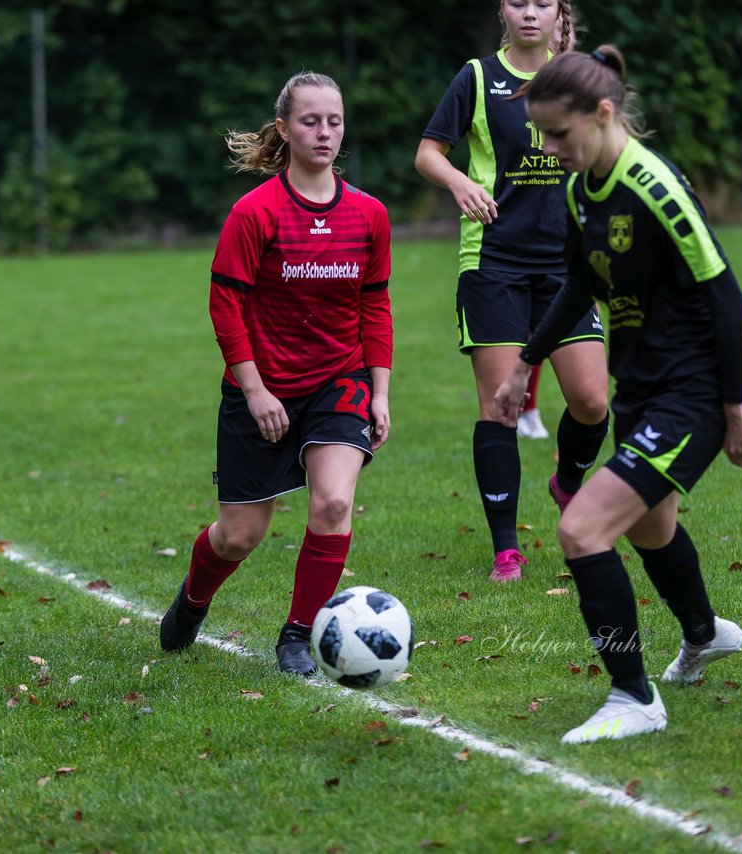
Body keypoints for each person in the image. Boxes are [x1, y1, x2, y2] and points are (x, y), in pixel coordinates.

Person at [493, 44, 742, 743]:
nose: (550, 149)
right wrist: (525, 364)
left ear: (603, 113)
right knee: (650, 527)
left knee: (582, 528)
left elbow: (726, 299)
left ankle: (632, 696)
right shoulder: (584, 191)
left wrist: (734, 411)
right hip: (641, 389)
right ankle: (704, 635)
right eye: (542, 136)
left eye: (559, 133)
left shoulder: (654, 185)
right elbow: (579, 285)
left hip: (692, 394)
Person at [159, 72, 393, 676]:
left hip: (339, 379)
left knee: (335, 502)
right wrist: (256, 389)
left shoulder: (369, 215)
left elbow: (376, 304)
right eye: (311, 121)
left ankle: (299, 633)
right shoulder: (254, 212)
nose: (324, 132)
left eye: (334, 121)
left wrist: (380, 390)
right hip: (260, 389)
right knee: (238, 536)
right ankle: (193, 600)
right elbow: (224, 305)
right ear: (285, 129)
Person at [416, 0, 610, 583]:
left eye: (542, 3)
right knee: (500, 405)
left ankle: (567, 485)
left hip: (567, 265)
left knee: (592, 401)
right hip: (493, 262)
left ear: (559, 13)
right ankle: (506, 549)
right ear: (503, 10)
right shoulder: (477, 77)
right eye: (518, 2)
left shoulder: (575, 78)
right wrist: (456, 182)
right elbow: (429, 153)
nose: (530, 13)